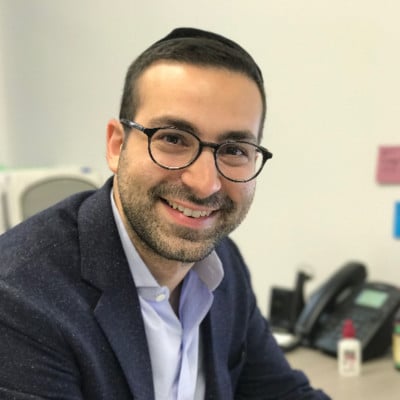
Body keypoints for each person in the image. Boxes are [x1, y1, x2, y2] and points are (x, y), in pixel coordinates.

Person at [0, 27, 330, 399]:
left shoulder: (223, 264)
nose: (205, 184)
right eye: (173, 138)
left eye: (235, 149)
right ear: (117, 145)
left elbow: (280, 393)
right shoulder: (19, 298)